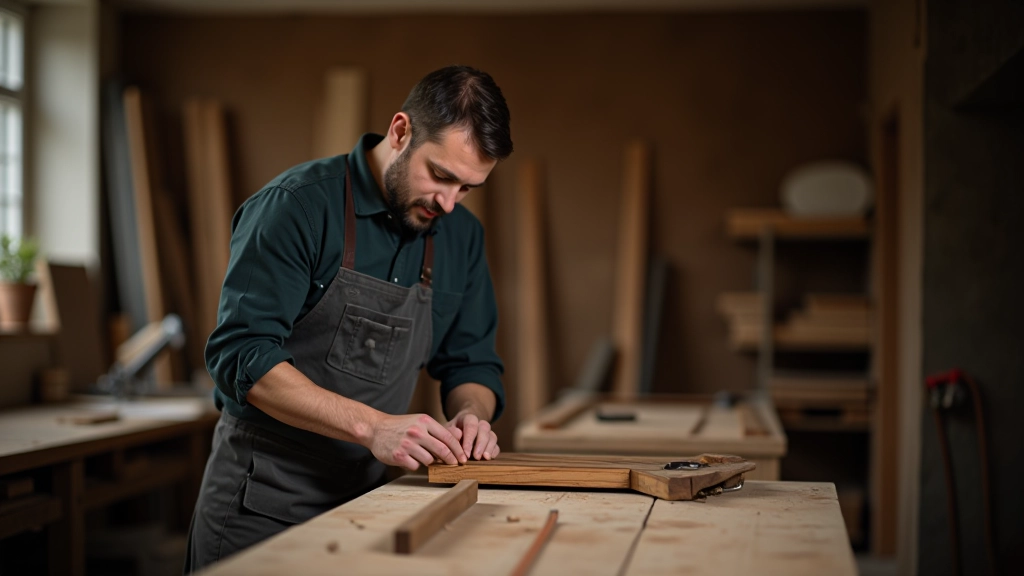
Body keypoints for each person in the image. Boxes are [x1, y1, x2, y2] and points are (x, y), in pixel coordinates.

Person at [185, 65, 512, 572]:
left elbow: (472, 362)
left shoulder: (461, 237)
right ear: (401, 131)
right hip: (264, 500)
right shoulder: (297, 207)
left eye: (468, 188)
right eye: (442, 176)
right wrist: (373, 427)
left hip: (374, 505)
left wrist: (473, 415)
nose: (448, 203)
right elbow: (241, 356)